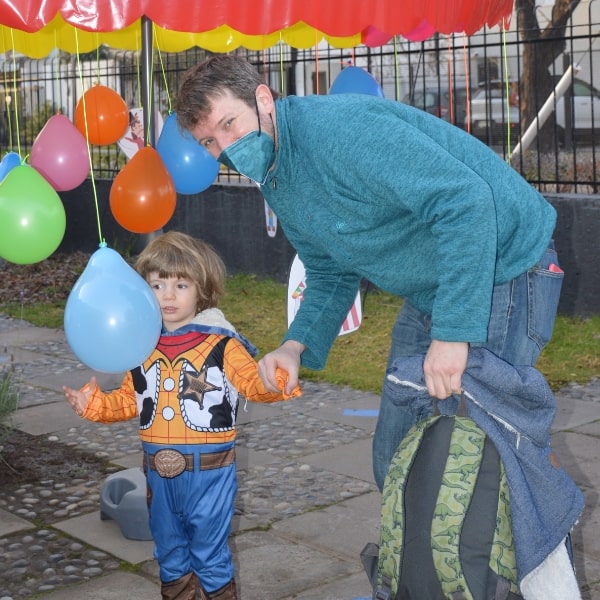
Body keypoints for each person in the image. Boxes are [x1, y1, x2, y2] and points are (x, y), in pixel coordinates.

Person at [174, 55, 563, 493]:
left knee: (483, 461)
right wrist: (293, 346)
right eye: (209, 141)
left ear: (263, 98)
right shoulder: (275, 172)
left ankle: (530, 555)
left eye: (229, 124)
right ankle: (410, 559)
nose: (225, 148)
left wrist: (453, 333)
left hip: (506, 266)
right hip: (434, 286)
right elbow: (329, 268)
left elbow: (464, 202)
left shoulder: (338, 132)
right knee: (396, 456)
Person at [63, 231, 300, 600]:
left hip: (211, 472)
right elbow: (130, 398)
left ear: (202, 289)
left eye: (180, 284)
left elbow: (252, 383)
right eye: (156, 285)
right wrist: (93, 405)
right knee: (169, 550)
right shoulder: (141, 344)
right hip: (159, 472)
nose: (168, 295)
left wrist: (277, 379)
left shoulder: (221, 343)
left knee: (209, 550)